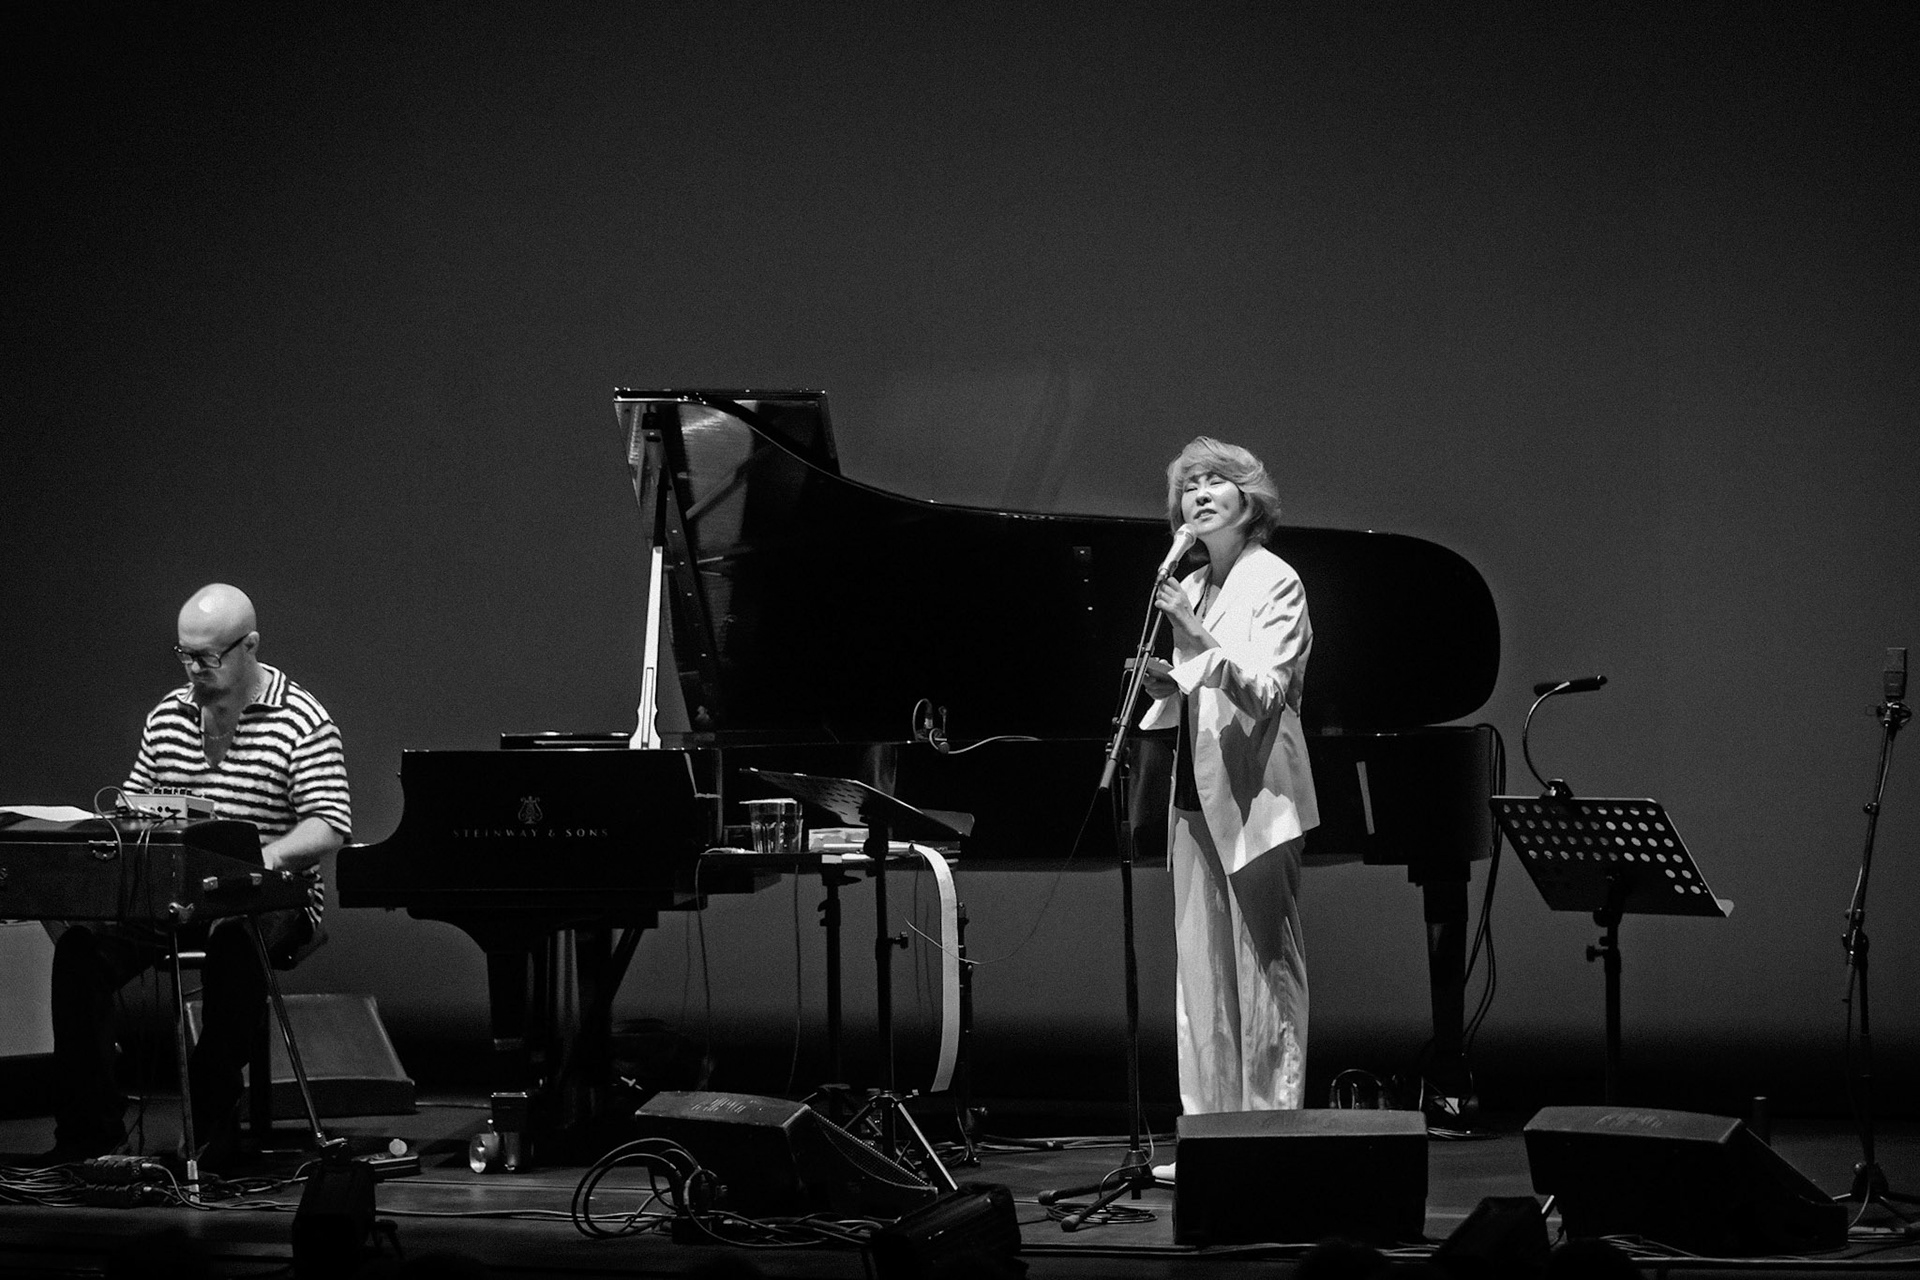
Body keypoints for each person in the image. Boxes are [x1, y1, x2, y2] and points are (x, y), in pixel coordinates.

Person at [45, 583, 351, 1163]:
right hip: (176, 894)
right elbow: (134, 806)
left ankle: (211, 1128)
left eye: (205, 656)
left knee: (234, 943)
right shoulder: (168, 716)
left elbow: (328, 825)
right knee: (81, 953)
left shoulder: (301, 719)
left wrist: (254, 861)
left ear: (249, 646)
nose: (192, 668)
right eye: (183, 654)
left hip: (267, 897)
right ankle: (88, 1137)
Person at [1139, 437, 1318, 1117]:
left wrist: (1191, 633)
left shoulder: (1276, 580)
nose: (1200, 493)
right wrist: (1164, 680)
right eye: (1189, 485)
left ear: (1251, 500)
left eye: (1218, 481)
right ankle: (1209, 1131)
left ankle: (1269, 1130)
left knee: (1261, 970)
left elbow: (1265, 692)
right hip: (1194, 793)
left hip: (1254, 795)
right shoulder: (1190, 582)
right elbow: (1198, 685)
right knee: (1203, 977)